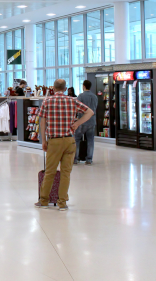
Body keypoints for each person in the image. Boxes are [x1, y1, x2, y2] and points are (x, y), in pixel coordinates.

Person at [35, 79, 94, 211]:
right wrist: (77, 123)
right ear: (66, 88)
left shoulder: (47, 101)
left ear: (54, 89)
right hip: (69, 141)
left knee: (50, 171)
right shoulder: (72, 101)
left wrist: (44, 140)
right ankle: (62, 202)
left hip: (54, 141)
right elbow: (90, 112)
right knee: (66, 173)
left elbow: (42, 122)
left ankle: (44, 200)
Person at [74, 80, 98, 165]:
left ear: (83, 86)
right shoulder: (95, 96)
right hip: (92, 121)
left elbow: (76, 107)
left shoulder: (80, 96)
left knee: (77, 139)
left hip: (82, 121)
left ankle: (75, 159)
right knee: (90, 140)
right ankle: (89, 159)